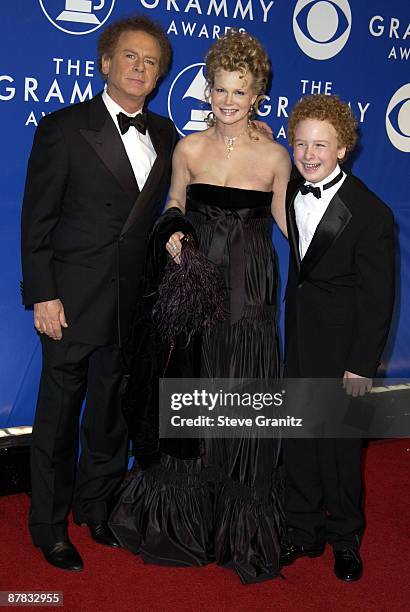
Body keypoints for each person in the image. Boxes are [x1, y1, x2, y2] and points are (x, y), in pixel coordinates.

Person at [109, 30, 291, 584]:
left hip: (251, 293)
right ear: (207, 91)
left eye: (239, 92)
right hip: (194, 289)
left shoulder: (276, 155)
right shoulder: (186, 148)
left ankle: (238, 530)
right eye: (219, 90)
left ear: (257, 94)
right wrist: (172, 233)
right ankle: (182, 526)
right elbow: (172, 203)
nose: (228, 101)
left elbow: (289, 224)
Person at [20, 15, 178, 571]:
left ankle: (98, 507)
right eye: (130, 57)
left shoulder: (167, 136)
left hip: (130, 305)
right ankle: (48, 526)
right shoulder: (64, 128)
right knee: (58, 418)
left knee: (110, 414)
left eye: (151, 61)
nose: (140, 67)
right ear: (106, 62)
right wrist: (43, 293)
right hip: (71, 301)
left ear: (160, 76)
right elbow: (36, 220)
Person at [280, 94, 395, 581]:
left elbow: (378, 298)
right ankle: (303, 529)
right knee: (300, 441)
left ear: (343, 148)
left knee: (341, 447)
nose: (309, 154)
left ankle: (345, 539)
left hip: (345, 350)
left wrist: (361, 365)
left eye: (321, 145)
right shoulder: (290, 189)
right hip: (299, 340)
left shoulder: (370, 212)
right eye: (301, 143)